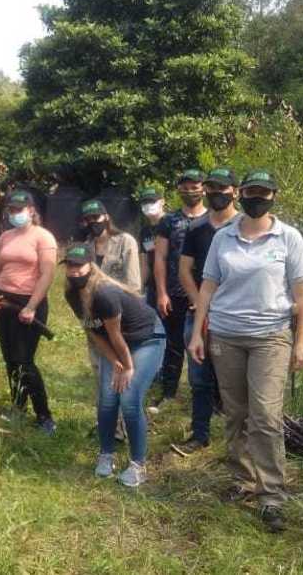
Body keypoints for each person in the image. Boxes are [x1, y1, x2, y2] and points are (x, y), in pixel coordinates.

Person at [188, 170, 303, 533]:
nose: (256, 198)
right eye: (251, 192)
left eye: (263, 193)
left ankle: (271, 494)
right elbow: (208, 287)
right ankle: (242, 480)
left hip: (271, 337)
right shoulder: (223, 237)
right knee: (236, 414)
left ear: (273, 195)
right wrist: (198, 334)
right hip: (225, 336)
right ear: (240, 194)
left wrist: (301, 341)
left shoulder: (288, 238)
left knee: (267, 417)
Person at [62, 244, 166, 487]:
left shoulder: (104, 293)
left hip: (147, 339)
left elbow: (115, 334)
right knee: (107, 398)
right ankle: (106, 454)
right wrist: (114, 361)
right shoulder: (71, 294)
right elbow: (94, 332)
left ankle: (138, 465)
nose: (74, 271)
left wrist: (127, 367)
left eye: (79, 266)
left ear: (91, 266)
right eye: (70, 266)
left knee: (129, 398)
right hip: (115, 344)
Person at [172, 168, 240, 456]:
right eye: (211, 188)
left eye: (222, 188)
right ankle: (200, 435)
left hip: (235, 316)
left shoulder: (244, 225)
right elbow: (185, 270)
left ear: (234, 191)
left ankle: (238, 442)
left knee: (234, 382)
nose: (216, 194)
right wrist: (199, 302)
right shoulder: (197, 228)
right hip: (198, 314)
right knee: (198, 378)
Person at [0, 190, 57, 434]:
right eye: (12, 209)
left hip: (29, 303)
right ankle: (18, 406)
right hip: (4, 302)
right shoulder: (6, 237)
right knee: (10, 360)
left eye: (20, 209)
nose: (15, 213)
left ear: (31, 210)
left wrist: (31, 306)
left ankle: (44, 415)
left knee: (24, 361)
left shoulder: (43, 237)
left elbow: (47, 274)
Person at [78, 198, 140, 439]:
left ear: (106, 216)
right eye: (89, 219)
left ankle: (124, 426)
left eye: (97, 217)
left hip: (120, 317)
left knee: (122, 371)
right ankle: (107, 422)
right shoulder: (85, 246)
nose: (94, 222)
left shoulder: (125, 242)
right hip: (94, 320)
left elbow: (133, 284)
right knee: (100, 372)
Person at [152, 169, 207, 411]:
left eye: (194, 186)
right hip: (174, 292)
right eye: (184, 187)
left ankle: (210, 397)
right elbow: (160, 258)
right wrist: (161, 292)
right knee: (174, 345)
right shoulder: (169, 221)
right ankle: (169, 393)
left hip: (206, 293)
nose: (190, 191)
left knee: (208, 347)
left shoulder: (213, 219)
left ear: (204, 188)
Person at [136, 187, 166, 308]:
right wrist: (140, 287)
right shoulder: (145, 232)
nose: (148, 205)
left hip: (174, 286)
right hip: (152, 288)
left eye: (152, 201)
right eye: (145, 202)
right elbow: (145, 264)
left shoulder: (172, 222)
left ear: (162, 202)